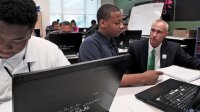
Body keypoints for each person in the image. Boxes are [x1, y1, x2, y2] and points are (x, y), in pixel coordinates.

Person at [0, 0, 70, 103]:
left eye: (17, 40)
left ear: (31, 31)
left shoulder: (49, 50)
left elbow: (69, 87)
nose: (4, 48)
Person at [121, 19, 200, 86]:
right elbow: (126, 71)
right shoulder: (135, 47)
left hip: (163, 84)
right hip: (140, 84)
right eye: (153, 30)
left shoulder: (174, 48)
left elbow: (190, 61)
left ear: (166, 34)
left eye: (159, 32)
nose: (154, 35)